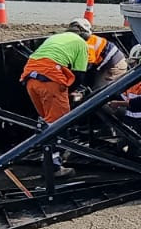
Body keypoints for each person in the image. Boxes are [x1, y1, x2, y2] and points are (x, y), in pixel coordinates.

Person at [20, 25, 90, 176]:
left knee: (46, 122)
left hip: (31, 78)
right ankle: (54, 169)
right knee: (59, 125)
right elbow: (79, 75)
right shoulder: (81, 44)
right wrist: (72, 92)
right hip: (50, 79)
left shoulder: (55, 38)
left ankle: (49, 159)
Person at [75, 18, 129, 90]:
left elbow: (86, 67)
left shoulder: (88, 44)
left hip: (114, 66)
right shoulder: (86, 40)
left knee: (100, 92)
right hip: (106, 63)